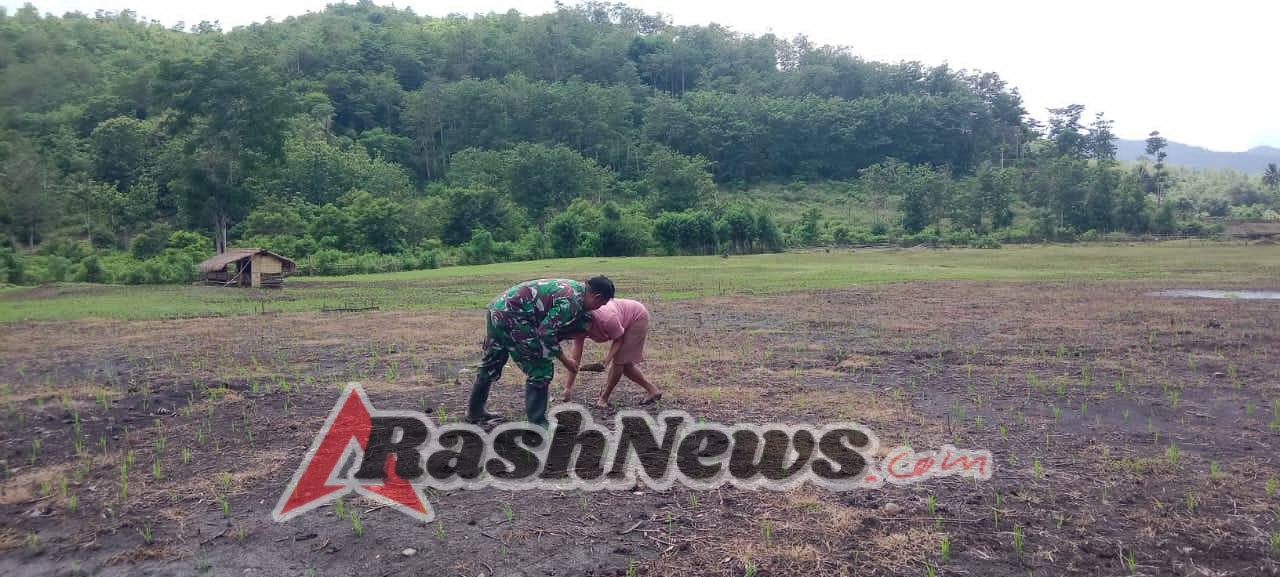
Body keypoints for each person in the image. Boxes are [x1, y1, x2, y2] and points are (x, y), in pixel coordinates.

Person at [465, 276, 614, 428]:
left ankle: (475, 412)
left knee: (492, 362)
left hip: (498, 308)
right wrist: (566, 361)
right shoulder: (571, 302)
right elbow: (546, 332)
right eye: (600, 305)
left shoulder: (574, 288)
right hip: (515, 315)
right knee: (541, 368)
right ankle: (538, 425)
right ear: (597, 297)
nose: (597, 309)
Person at [560, 297, 661, 408]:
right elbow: (575, 358)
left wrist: (606, 361)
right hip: (621, 319)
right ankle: (652, 390)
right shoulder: (579, 326)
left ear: (589, 324)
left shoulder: (607, 319)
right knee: (626, 365)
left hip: (636, 317)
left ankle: (604, 398)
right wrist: (568, 388)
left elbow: (618, 340)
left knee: (619, 362)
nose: (580, 335)